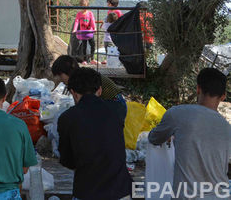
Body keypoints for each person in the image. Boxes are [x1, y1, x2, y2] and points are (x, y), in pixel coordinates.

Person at [148, 68, 231, 200]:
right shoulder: (227, 128)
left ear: (198, 89)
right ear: (223, 96)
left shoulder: (178, 114)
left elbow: (153, 138)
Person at [57, 68, 132, 200]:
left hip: (87, 190)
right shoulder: (117, 110)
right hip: (120, 189)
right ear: (100, 91)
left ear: (73, 93)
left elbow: (67, 160)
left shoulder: (67, 118)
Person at [52, 55, 127, 123]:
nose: (60, 79)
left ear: (69, 71)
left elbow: (84, 107)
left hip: (116, 104)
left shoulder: (83, 79)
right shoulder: (79, 78)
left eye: (60, 75)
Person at [72, 0, 96, 64]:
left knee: (93, 44)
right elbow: (77, 22)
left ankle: (92, 58)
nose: (84, 8)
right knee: (84, 46)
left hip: (90, 32)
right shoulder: (79, 14)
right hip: (83, 33)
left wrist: (94, 28)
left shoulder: (90, 13)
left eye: (86, 6)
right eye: (83, 6)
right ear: (80, 6)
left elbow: (92, 21)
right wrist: (75, 29)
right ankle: (84, 60)